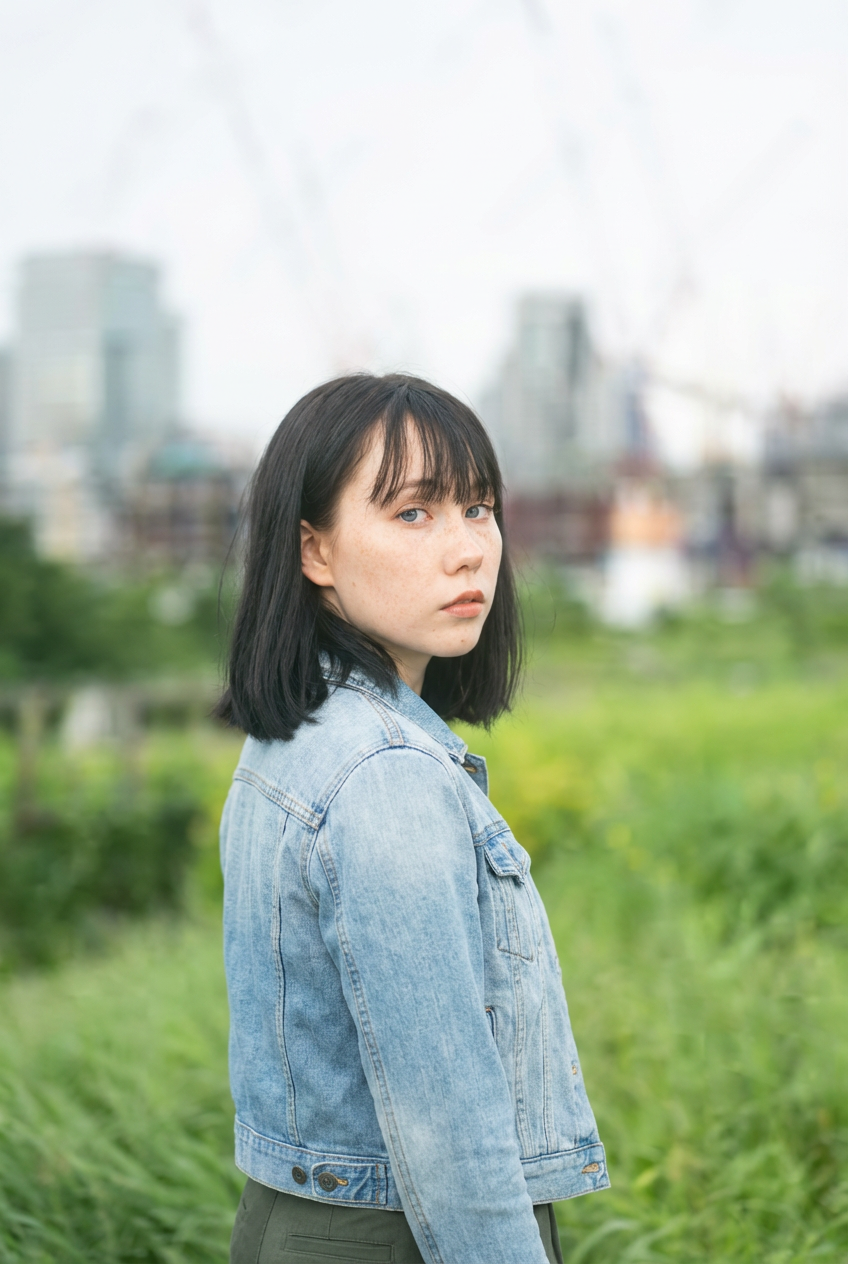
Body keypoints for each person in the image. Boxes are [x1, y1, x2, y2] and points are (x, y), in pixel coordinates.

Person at [216, 373, 609, 1264]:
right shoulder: (384, 772)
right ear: (314, 551)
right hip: (394, 1236)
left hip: (300, 1222)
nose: (468, 550)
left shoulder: (300, 738)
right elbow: (448, 1127)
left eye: (478, 508)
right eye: (413, 514)